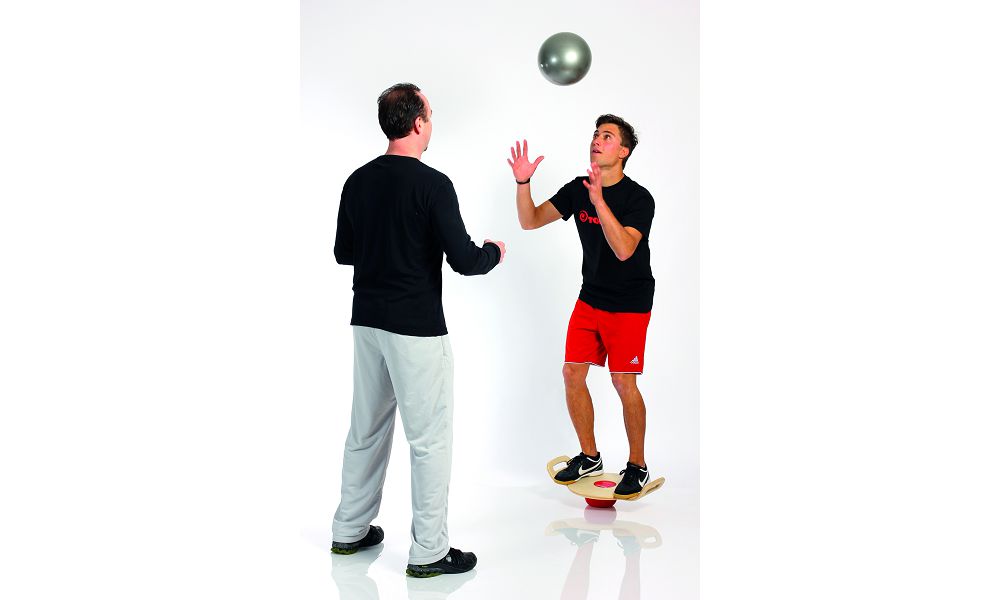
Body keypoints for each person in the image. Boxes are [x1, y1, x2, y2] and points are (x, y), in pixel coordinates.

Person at [331, 82, 505, 577]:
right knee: (429, 441)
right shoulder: (433, 184)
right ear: (417, 123)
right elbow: (465, 260)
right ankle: (429, 551)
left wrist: (385, 248)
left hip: (367, 322)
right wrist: (494, 252)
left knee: (365, 429)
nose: (432, 121)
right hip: (415, 329)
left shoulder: (357, 180)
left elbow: (344, 252)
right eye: (430, 113)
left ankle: (349, 529)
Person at [506, 115, 655, 499]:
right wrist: (523, 183)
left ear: (623, 152)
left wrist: (600, 202)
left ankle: (637, 466)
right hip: (591, 297)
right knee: (572, 373)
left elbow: (624, 250)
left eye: (607, 136)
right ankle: (590, 457)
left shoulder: (639, 199)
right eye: (595, 134)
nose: (597, 140)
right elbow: (530, 221)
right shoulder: (578, 189)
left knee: (623, 381)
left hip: (630, 302)